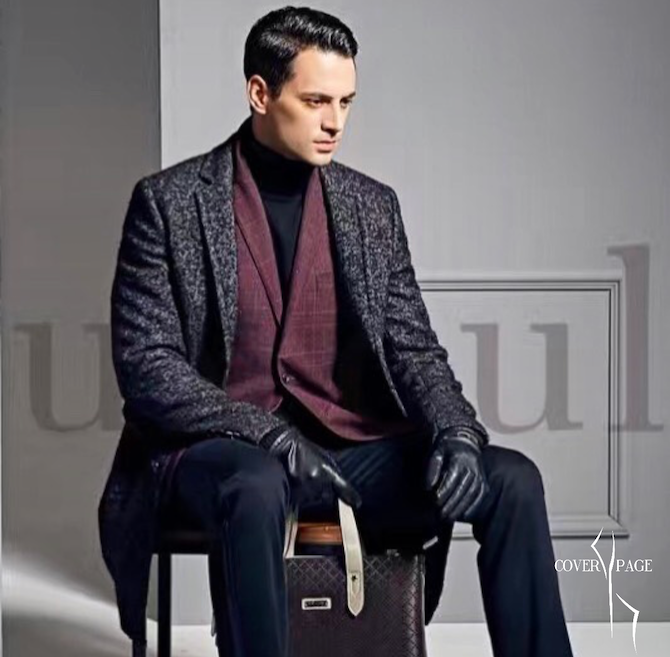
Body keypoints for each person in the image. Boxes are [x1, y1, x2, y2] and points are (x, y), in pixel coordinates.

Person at [98, 6, 574, 657]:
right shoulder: (170, 202)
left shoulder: (370, 206)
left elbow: (412, 347)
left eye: (346, 101)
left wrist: (457, 433)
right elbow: (147, 364)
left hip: (350, 448)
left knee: (512, 479)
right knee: (256, 484)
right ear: (260, 93)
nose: (335, 122)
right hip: (217, 451)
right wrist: (270, 435)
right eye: (316, 100)